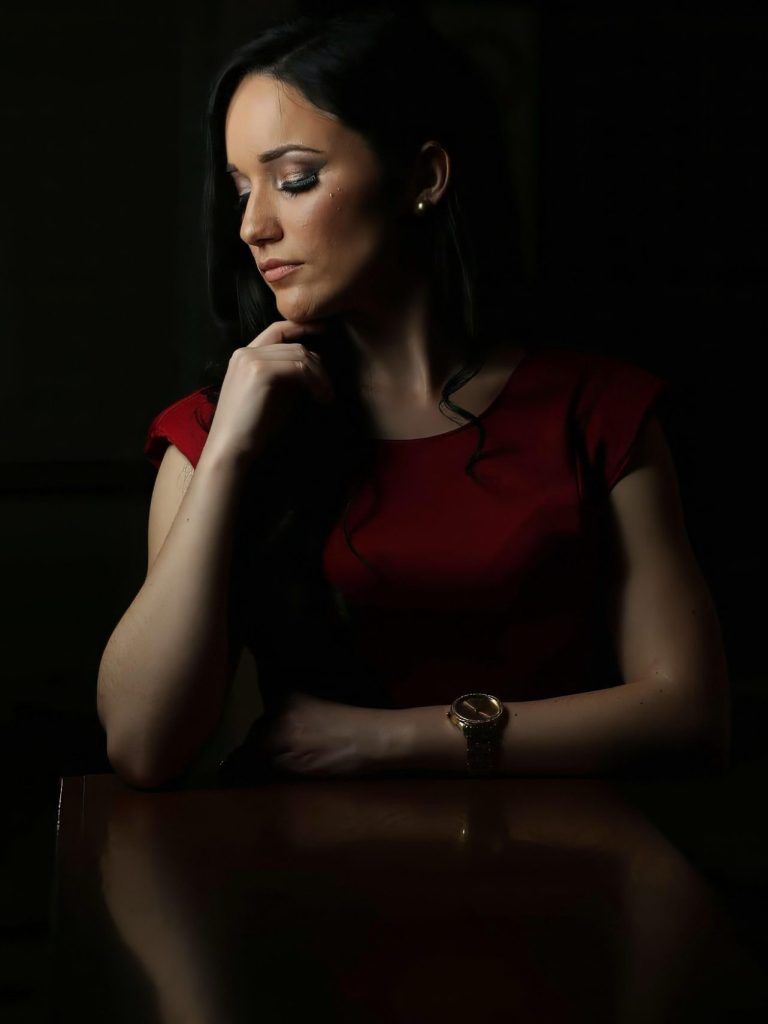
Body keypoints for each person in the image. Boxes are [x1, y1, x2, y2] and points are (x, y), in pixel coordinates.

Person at [96, 5, 731, 789]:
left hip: (562, 866)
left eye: (294, 179)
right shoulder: (214, 425)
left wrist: (386, 740)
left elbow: (691, 713)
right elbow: (140, 747)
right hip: (302, 874)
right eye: (239, 190)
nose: (254, 226)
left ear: (424, 177)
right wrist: (226, 452)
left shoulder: (598, 411)